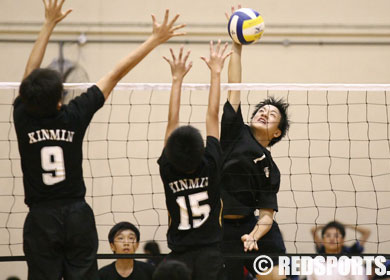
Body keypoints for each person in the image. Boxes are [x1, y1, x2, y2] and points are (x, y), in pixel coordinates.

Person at [13, 0, 185, 278]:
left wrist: (47, 24)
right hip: (76, 215)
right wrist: (154, 39)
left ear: (27, 96)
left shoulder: (22, 116)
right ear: (60, 101)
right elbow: (114, 74)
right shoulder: (73, 115)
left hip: (41, 218)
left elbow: (28, 75)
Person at [221, 5, 290, 280]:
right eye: (261, 110)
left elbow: (266, 215)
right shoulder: (235, 131)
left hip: (250, 226)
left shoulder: (270, 169)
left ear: (276, 133)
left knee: (275, 274)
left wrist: (253, 235)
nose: (264, 112)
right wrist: (236, 46)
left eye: (272, 114)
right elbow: (234, 87)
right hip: (219, 228)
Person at [157, 41, 231, 280]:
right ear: (201, 150)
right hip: (211, 253)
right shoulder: (211, 163)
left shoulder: (167, 169)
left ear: (170, 152)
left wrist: (176, 78)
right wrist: (216, 72)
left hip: (179, 254)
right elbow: (212, 115)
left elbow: (172, 120)